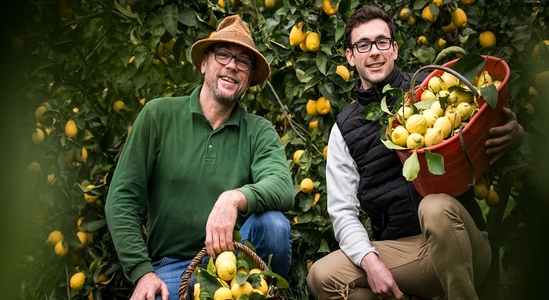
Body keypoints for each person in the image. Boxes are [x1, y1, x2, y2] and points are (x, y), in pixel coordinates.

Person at [306, 5, 524, 300]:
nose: (374, 52)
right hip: (406, 254)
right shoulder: (344, 129)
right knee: (322, 277)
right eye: (363, 45)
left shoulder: (431, 88)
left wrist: (513, 132)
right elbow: (342, 212)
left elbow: (482, 122)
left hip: (461, 239)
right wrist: (371, 262)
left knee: (433, 206)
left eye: (382, 42)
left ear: (394, 49)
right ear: (350, 56)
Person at [105, 15, 294, 300]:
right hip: (172, 267)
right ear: (204, 63)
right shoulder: (158, 116)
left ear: (248, 79)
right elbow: (122, 198)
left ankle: (268, 294)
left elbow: (281, 186)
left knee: (274, 225)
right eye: (223, 55)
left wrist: (233, 198)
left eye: (243, 61)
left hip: (235, 265)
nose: (232, 65)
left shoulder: (258, 130)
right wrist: (142, 272)